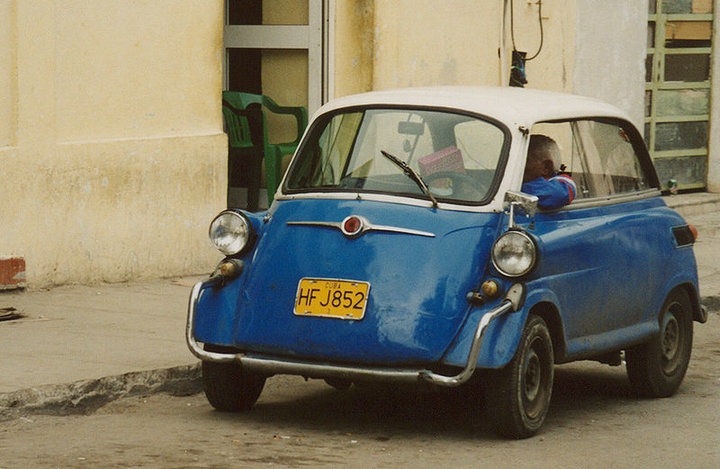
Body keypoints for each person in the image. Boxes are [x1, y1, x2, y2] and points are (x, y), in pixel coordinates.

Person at [521, 134, 577, 210]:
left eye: (525, 161)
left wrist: (517, 191)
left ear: (546, 167)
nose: (517, 164)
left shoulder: (564, 183)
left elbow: (557, 194)